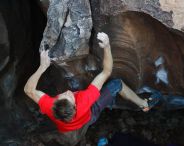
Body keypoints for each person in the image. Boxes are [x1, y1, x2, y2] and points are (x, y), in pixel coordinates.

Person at [24, 32, 159, 145]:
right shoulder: (84, 101)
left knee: (71, 128)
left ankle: (75, 132)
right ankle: (145, 104)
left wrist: (42, 67)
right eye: (69, 96)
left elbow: (28, 90)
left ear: (54, 103)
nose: (67, 92)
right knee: (117, 84)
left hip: (69, 127)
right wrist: (107, 46)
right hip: (90, 115)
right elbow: (106, 72)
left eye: (62, 95)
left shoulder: (49, 106)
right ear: (75, 106)